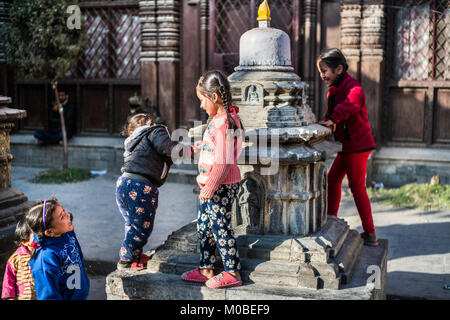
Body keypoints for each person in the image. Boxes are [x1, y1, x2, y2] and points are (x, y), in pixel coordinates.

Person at [181, 70, 244, 289]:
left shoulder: (225, 122)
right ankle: (206, 268)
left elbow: (224, 162)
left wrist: (210, 187)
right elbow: (215, 149)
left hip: (220, 186)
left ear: (214, 97)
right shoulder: (217, 119)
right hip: (210, 185)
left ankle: (232, 271)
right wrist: (201, 146)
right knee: (204, 227)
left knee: (221, 228)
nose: (200, 105)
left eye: (202, 100)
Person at [317, 48, 378, 246]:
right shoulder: (335, 89)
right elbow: (332, 114)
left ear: (339, 69)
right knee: (333, 180)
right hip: (347, 146)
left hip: (357, 146)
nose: (322, 76)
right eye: (321, 71)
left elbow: (352, 102)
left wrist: (333, 118)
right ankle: (331, 221)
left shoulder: (353, 87)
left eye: (325, 71)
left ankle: (370, 234)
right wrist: (325, 122)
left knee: (357, 188)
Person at [117, 113, 193, 270]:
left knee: (132, 224)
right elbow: (168, 148)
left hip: (124, 183)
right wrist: (189, 150)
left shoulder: (134, 140)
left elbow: (164, 155)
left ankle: (134, 254)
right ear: (150, 123)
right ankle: (126, 259)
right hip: (141, 187)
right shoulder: (154, 131)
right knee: (141, 226)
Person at [25, 198, 90, 300]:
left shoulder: (65, 231)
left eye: (64, 210)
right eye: (62, 217)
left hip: (79, 294)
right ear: (49, 232)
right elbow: (48, 296)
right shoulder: (45, 258)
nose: (68, 215)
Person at [1, 219, 38, 300]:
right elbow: (8, 283)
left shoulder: (44, 254)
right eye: (35, 233)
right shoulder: (15, 259)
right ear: (24, 241)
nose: (39, 235)